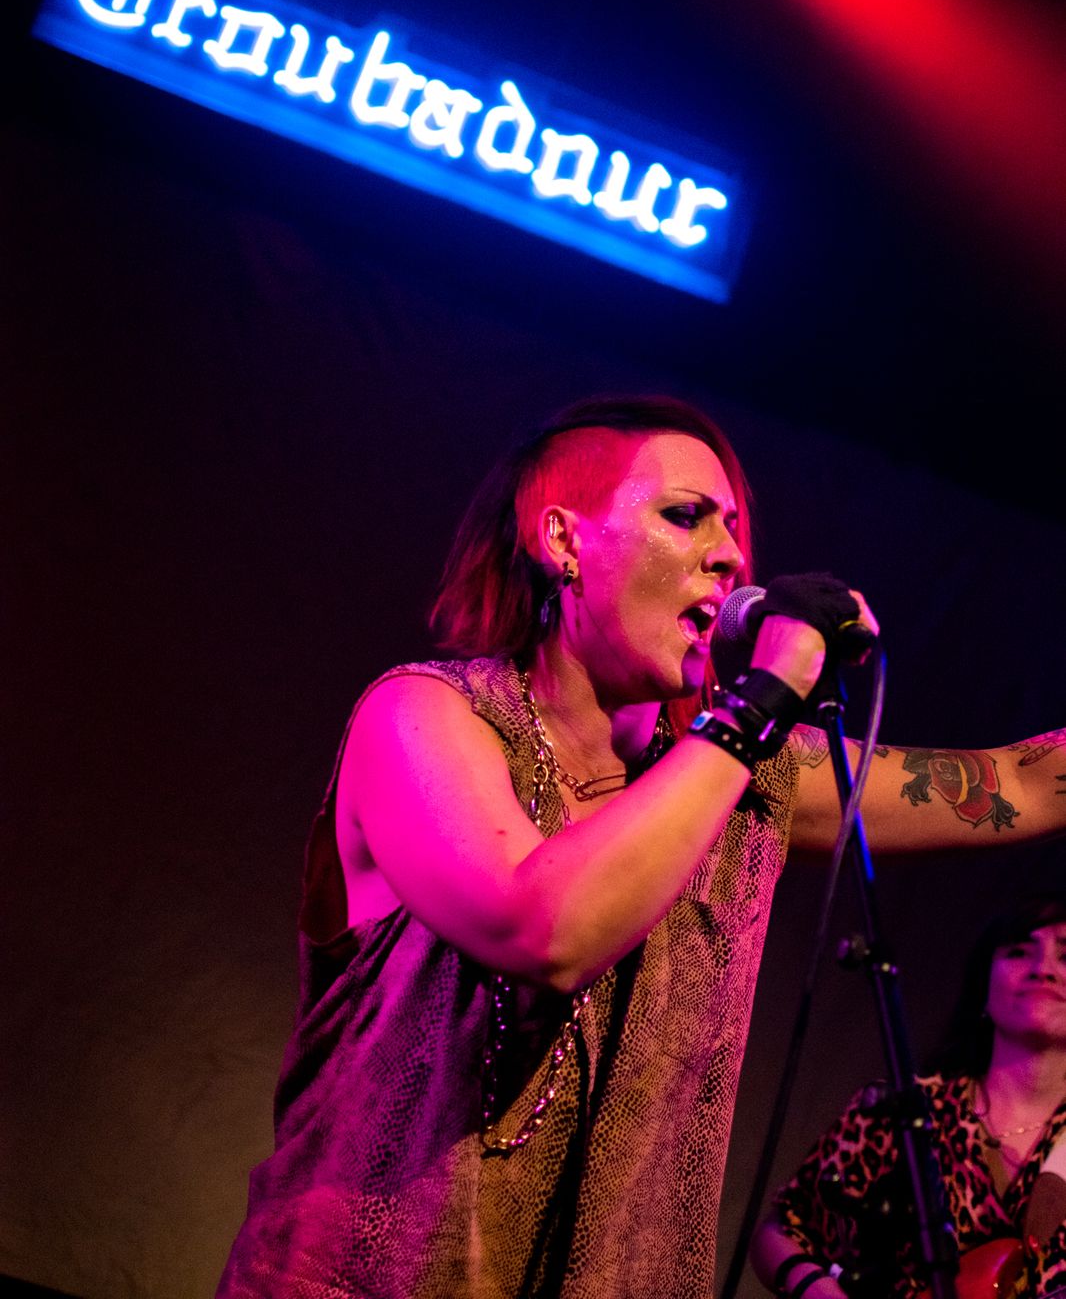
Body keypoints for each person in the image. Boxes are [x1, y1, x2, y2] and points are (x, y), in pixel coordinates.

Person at [215, 395, 1066, 1299]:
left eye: (733, 528)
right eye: (686, 516)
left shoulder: (743, 774)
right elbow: (542, 930)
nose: (731, 556)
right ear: (563, 541)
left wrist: (748, 730)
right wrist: (761, 702)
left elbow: (1016, 784)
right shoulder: (423, 716)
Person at [750, 896, 1066, 1299]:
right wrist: (817, 1289)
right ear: (982, 987)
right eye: (1019, 951)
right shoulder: (902, 1111)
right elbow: (782, 1230)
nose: (1043, 969)